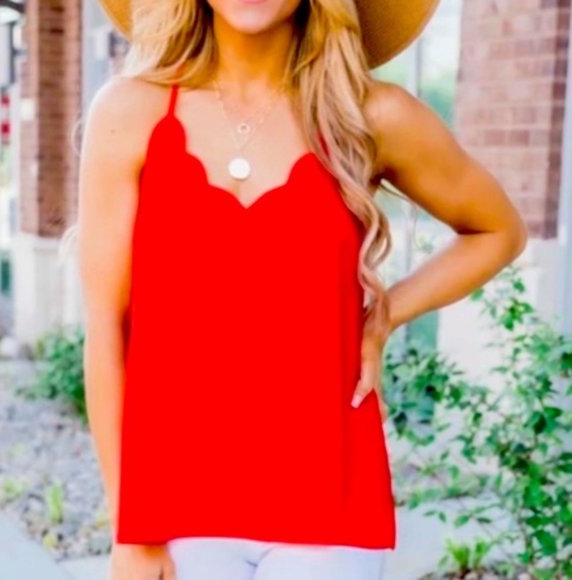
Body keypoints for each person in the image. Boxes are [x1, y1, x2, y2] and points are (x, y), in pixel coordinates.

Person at [76, 0, 528, 578]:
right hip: (176, 509)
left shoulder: (371, 116)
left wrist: (384, 314)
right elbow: (107, 330)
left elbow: (497, 231)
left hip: (329, 502)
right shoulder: (130, 112)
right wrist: (130, 531)